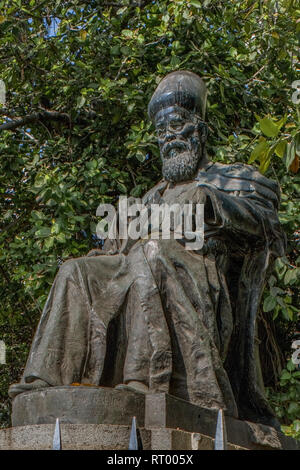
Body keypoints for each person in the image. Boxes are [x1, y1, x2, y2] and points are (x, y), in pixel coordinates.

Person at [9, 71, 285, 427]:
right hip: (143, 271)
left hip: (200, 289)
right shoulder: (149, 198)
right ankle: (44, 378)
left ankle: (142, 381)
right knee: (75, 270)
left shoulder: (227, 179)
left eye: (178, 126)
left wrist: (212, 203)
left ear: (200, 130)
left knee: (149, 252)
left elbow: (266, 223)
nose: (170, 138)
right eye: (162, 132)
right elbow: (113, 251)